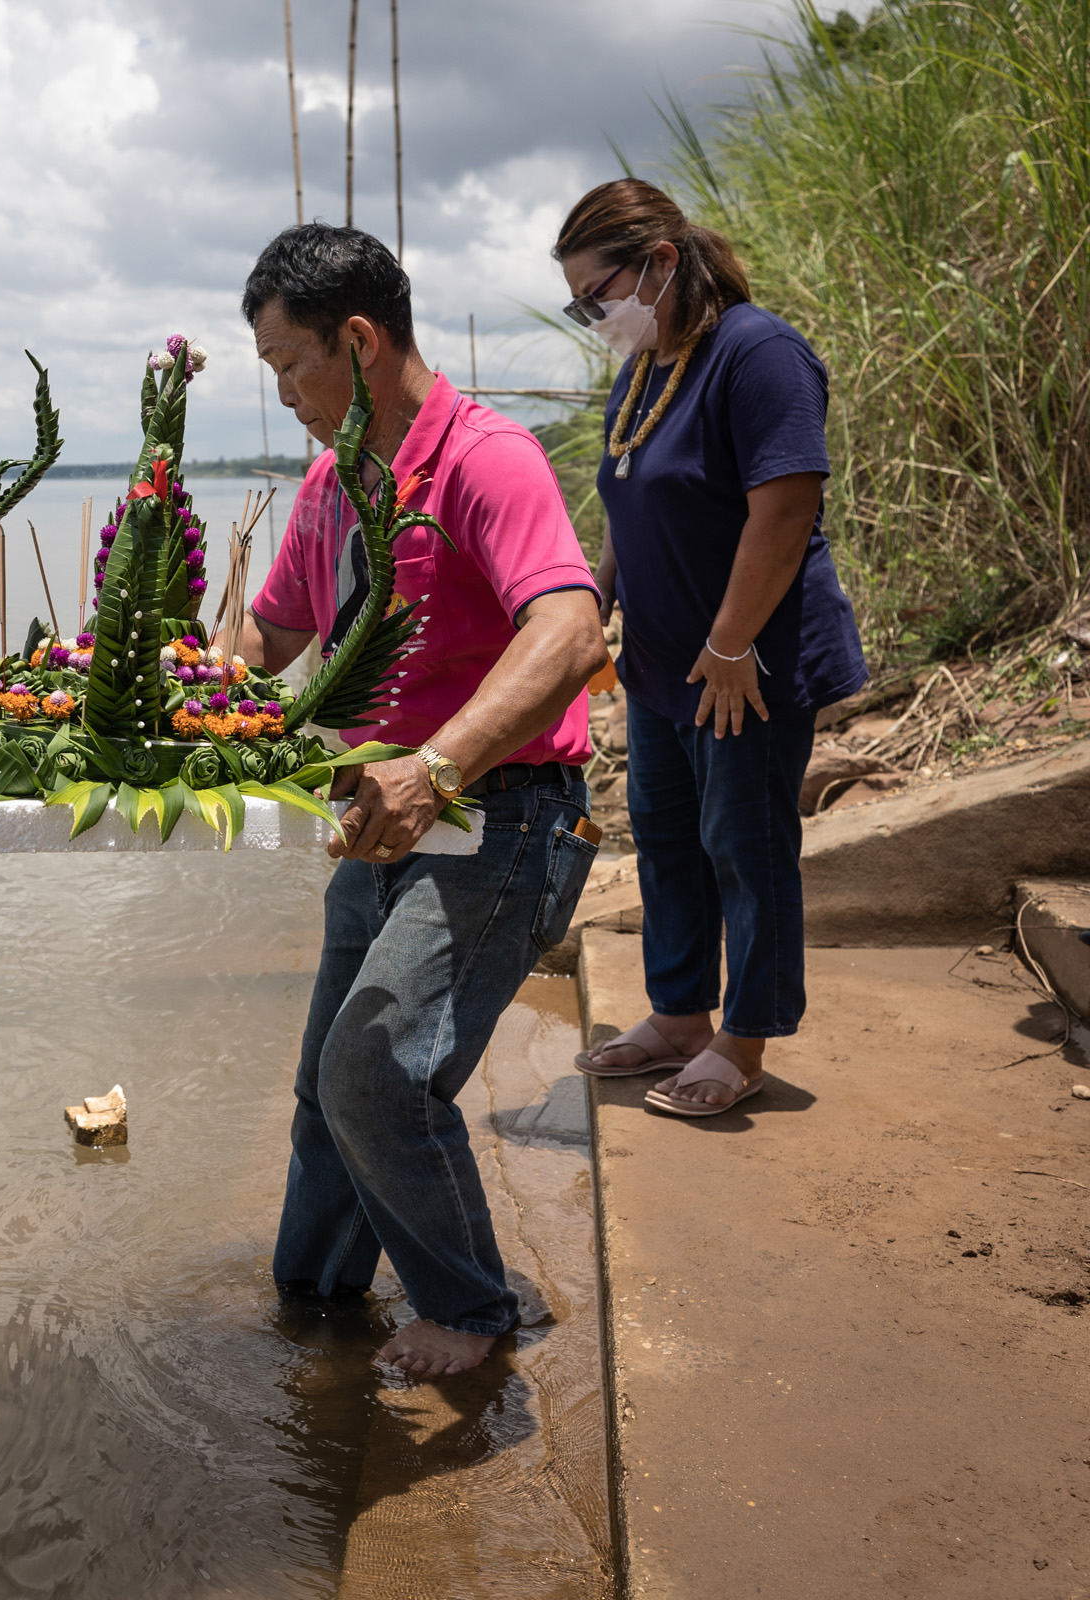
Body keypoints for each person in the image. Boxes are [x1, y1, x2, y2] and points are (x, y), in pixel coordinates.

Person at [230, 224, 610, 1376]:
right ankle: (319, 1306)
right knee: (322, 1093)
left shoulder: (488, 459)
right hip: (377, 822)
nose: (287, 394)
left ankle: (471, 1310)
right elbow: (271, 633)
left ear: (359, 336)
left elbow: (571, 626)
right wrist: (158, 702)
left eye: (294, 364)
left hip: (500, 815)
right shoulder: (330, 481)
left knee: (378, 1070)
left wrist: (437, 764)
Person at [554, 180, 867, 1117]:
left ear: (657, 265)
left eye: (595, 295)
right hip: (661, 664)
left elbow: (785, 507)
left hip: (747, 665)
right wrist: (592, 599)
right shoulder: (648, 365)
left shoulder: (756, 352)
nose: (592, 317)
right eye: (578, 304)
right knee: (665, 840)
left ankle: (745, 1038)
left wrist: (730, 644)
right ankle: (680, 1015)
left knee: (746, 844)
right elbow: (626, 498)